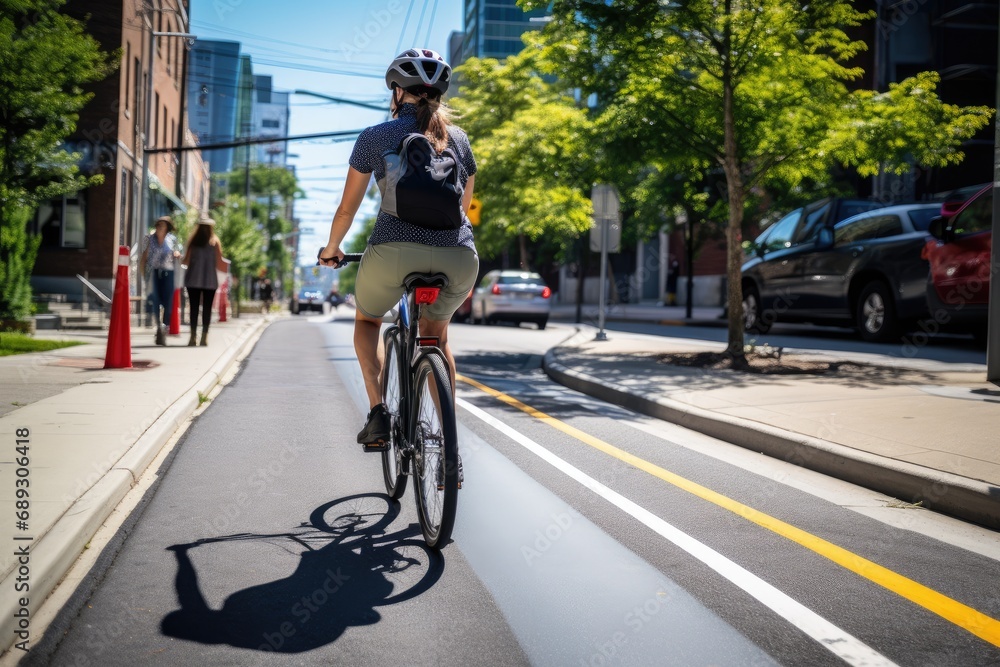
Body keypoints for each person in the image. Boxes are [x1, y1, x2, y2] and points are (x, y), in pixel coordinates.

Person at [318, 48, 478, 452]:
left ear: (396, 92)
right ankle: (450, 451)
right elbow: (465, 208)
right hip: (458, 256)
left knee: (368, 321)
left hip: (392, 252)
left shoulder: (375, 137)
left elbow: (346, 209)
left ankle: (378, 414)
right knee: (437, 338)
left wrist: (331, 249)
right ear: (438, 95)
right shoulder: (458, 139)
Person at [182, 214, 226, 347]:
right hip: (209, 280)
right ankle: (204, 337)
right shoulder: (215, 242)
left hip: (193, 279)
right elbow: (219, 263)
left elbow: (186, 261)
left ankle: (192, 337)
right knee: (207, 308)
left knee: (193, 308)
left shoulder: (193, 242)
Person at [140, 215, 181, 346]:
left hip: (168, 273)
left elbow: (178, 252)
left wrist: (177, 254)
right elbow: (143, 258)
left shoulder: (172, 239)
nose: (160, 228)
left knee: (168, 301)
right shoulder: (149, 239)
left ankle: (164, 327)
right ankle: (158, 326)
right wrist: (144, 276)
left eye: (163, 225)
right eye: (158, 225)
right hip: (154, 273)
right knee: (155, 300)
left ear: (168, 228)